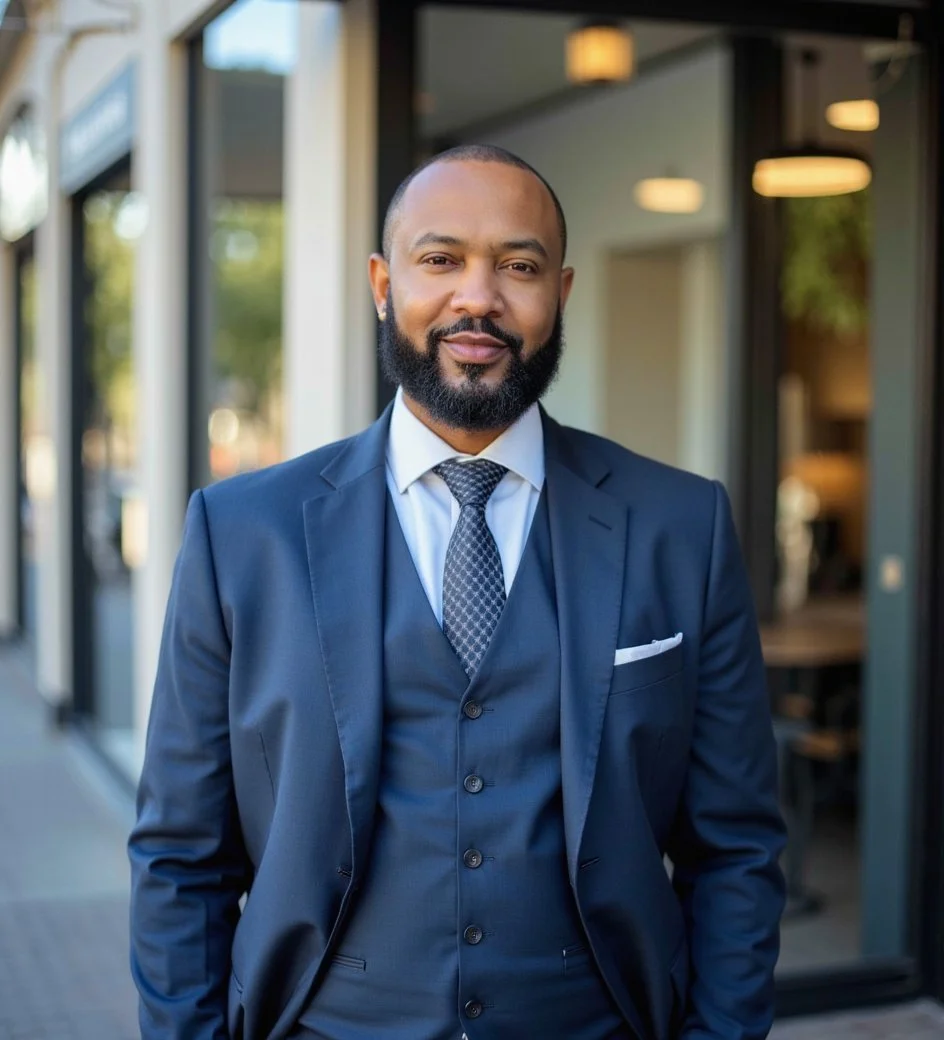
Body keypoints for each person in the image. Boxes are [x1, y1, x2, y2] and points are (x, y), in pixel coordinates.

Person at [129, 144, 786, 1040]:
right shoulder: (242, 533)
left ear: (561, 291)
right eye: (440, 260)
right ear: (382, 283)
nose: (478, 297)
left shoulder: (681, 525)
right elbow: (180, 856)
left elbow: (738, 846)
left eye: (517, 266)